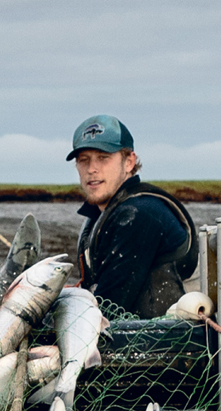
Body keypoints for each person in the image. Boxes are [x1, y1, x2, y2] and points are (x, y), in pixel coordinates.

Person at [68, 116, 198, 318]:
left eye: (103, 157)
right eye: (84, 160)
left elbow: (109, 307)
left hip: (163, 343)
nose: (92, 169)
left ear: (129, 162)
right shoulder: (100, 216)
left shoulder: (139, 214)